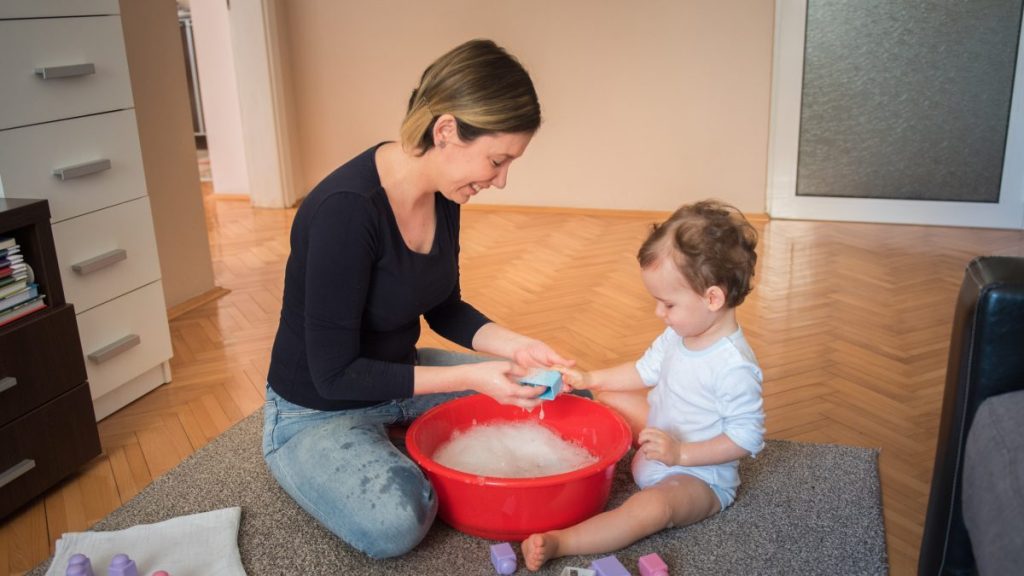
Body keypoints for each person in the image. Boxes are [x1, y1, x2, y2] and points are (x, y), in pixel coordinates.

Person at [262, 39, 573, 559]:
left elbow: (445, 305)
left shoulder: (446, 192)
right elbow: (333, 374)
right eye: (497, 161)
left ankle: (407, 440)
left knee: (557, 400)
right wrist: (474, 377)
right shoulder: (346, 211)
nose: (500, 181)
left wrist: (516, 348)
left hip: (401, 376)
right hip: (317, 410)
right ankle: (361, 454)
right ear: (447, 131)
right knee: (396, 523)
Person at [522, 200, 765, 571]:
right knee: (606, 396)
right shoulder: (679, 332)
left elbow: (746, 439)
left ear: (712, 298)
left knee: (652, 508)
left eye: (667, 304)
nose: (659, 314)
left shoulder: (734, 367)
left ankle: (563, 541)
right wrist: (591, 379)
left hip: (698, 477)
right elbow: (644, 370)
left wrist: (681, 454)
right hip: (661, 436)